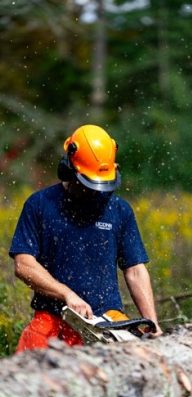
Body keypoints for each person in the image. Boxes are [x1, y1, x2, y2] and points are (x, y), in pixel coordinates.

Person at [9, 124, 162, 352]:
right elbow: (23, 264)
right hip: (52, 317)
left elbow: (135, 270)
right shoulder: (40, 205)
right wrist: (67, 294)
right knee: (28, 373)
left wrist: (153, 325)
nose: (96, 192)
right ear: (69, 169)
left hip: (107, 319)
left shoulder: (120, 210)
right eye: (89, 184)